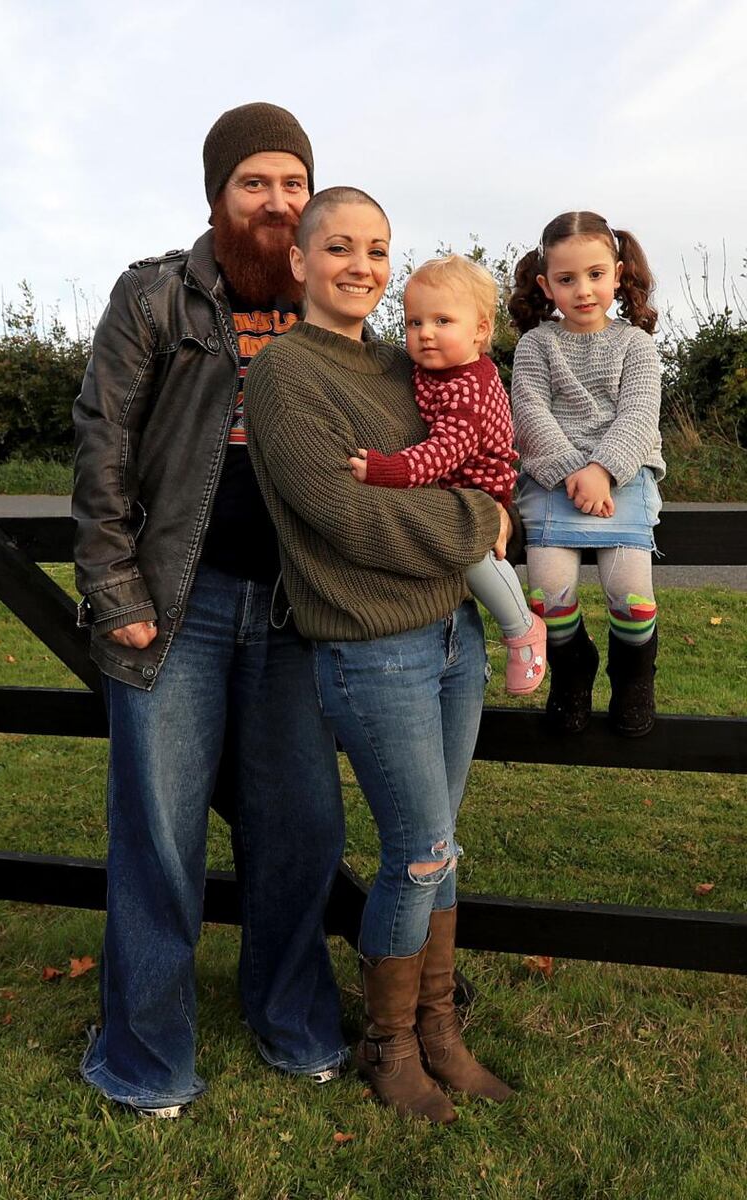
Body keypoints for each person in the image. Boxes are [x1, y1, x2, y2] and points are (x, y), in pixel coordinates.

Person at [72, 103, 348, 1118]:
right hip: (173, 612)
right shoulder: (154, 296)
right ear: (217, 194)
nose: (277, 202)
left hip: (294, 615)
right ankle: (147, 1057)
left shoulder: (334, 299)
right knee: (157, 835)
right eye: (255, 182)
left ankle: (295, 1022)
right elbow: (102, 451)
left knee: (300, 831)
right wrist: (117, 597)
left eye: (292, 182)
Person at [245, 187, 518, 1124]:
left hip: (456, 636)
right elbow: (349, 516)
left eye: (377, 250)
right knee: (416, 851)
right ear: (301, 262)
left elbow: (480, 436)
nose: (360, 265)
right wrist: (481, 520)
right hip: (373, 649)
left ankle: (439, 1032)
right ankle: (392, 1045)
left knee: (443, 847)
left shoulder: (411, 363)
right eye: (339, 248)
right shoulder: (284, 374)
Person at [347, 254, 547, 695]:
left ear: (480, 329)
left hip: (478, 490)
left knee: (478, 558)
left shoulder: (470, 385)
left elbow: (444, 451)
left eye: (442, 320)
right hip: (447, 492)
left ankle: (521, 628)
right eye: (414, 323)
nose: (425, 333)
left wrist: (388, 469)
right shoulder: (428, 370)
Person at [508, 211, 665, 737]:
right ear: (545, 284)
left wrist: (603, 471)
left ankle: (633, 675)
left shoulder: (636, 344)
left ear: (617, 275)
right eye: (567, 279)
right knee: (547, 591)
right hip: (554, 480)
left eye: (596, 275)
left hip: (624, 475)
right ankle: (572, 669)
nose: (583, 290)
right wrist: (576, 474)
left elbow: (639, 415)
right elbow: (529, 411)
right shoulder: (536, 345)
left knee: (632, 594)